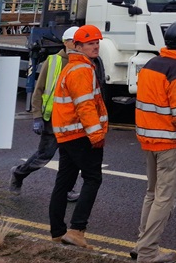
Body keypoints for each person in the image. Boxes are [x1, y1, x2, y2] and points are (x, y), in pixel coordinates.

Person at [132, 20, 176, 263]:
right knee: (164, 198)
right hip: (169, 143)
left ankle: (142, 245)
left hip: (149, 140)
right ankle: (148, 252)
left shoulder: (153, 64)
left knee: (152, 194)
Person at [49, 24, 109, 249]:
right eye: (90, 43)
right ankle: (77, 230)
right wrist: (96, 135)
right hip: (81, 135)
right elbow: (85, 106)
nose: (96, 46)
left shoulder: (74, 66)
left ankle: (57, 232)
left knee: (63, 182)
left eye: (97, 42)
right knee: (93, 179)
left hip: (68, 134)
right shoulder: (82, 70)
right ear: (78, 46)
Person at [11, 26, 82, 202]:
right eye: (76, 41)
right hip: (53, 120)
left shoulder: (84, 62)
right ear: (66, 42)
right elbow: (39, 90)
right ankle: (19, 173)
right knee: (43, 157)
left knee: (71, 158)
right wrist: (37, 117)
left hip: (72, 121)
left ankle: (66, 190)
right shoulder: (53, 61)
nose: (79, 44)